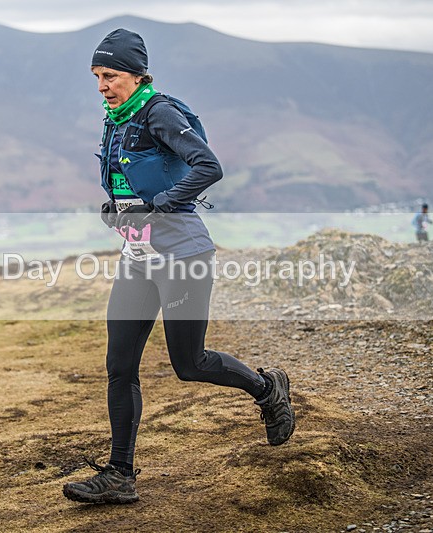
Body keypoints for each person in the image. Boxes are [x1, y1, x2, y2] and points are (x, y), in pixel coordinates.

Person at [62, 28, 295, 505]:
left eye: (110, 75)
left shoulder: (158, 113)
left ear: (136, 74)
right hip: (138, 259)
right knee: (119, 366)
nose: (102, 86)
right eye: (96, 77)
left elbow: (208, 166)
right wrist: (118, 209)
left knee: (190, 364)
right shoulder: (117, 119)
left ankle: (267, 388)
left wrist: (160, 205)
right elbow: (130, 184)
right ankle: (120, 474)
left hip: (183, 256)